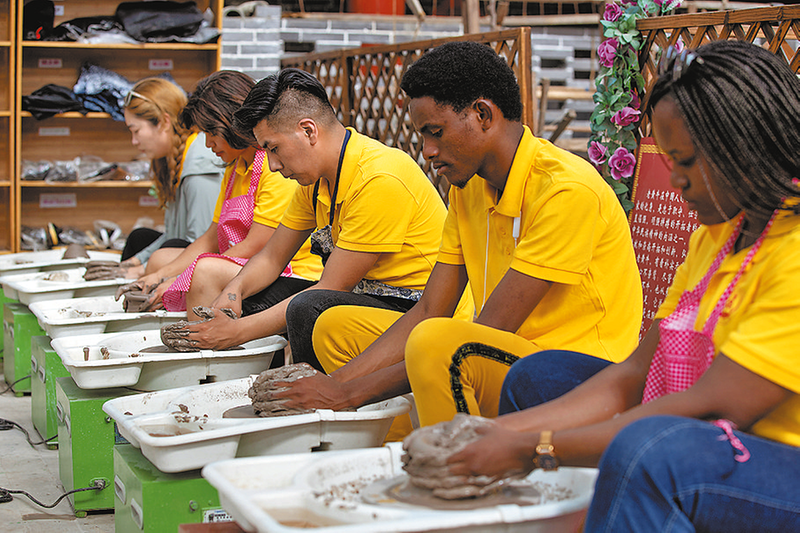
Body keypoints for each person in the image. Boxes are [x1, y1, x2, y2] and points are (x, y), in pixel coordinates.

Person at [441, 40, 800, 533]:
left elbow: (714, 405)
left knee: (653, 450)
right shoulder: (717, 238)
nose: (676, 182)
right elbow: (635, 372)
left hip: (777, 461)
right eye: (669, 161)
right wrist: (487, 432)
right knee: (537, 377)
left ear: (746, 146)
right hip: (692, 435)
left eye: (687, 162)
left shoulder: (794, 252)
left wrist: (532, 446)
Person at [270, 41, 642, 433]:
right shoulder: (468, 191)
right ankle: (396, 450)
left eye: (436, 132)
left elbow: (486, 333)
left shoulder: (565, 190)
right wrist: (335, 384)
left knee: (437, 344)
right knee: (332, 326)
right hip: (501, 356)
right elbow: (431, 308)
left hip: (575, 376)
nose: (427, 151)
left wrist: (347, 393)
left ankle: (448, 472)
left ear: (482, 114)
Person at [182, 68, 464, 372]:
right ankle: (254, 389)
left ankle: (311, 402)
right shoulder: (316, 181)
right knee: (254, 302)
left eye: (274, 149)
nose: (273, 165)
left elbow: (332, 288)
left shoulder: (379, 176)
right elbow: (272, 256)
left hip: (420, 310)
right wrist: (233, 293)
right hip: (369, 299)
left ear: (308, 131)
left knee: (308, 310)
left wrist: (237, 332)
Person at [120, 71, 322, 316]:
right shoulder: (235, 167)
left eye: (210, 132)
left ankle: (200, 345)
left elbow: (256, 246)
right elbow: (210, 238)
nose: (207, 144)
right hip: (249, 263)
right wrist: (157, 275)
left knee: (205, 271)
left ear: (230, 121)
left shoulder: (273, 166)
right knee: (161, 260)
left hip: (290, 270)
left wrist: (180, 279)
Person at [117, 77, 223, 279]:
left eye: (136, 131)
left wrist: (143, 270)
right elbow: (175, 233)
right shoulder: (174, 159)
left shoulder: (200, 163)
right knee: (139, 238)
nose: (134, 141)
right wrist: (136, 261)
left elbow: (203, 245)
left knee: (165, 249)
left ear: (164, 122)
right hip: (186, 250)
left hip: (207, 264)